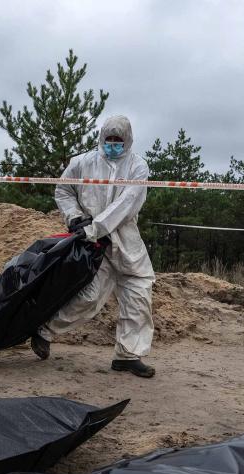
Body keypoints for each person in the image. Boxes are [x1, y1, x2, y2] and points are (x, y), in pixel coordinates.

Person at [30, 114, 156, 377]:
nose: (113, 144)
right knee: (88, 298)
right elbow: (63, 191)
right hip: (93, 245)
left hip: (125, 242)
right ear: (101, 138)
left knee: (139, 296)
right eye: (108, 139)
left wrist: (96, 228)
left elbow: (127, 203)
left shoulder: (137, 167)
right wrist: (75, 217)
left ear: (128, 140)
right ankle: (43, 330)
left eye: (118, 140)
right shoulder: (82, 163)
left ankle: (128, 355)